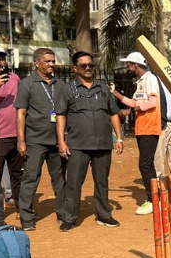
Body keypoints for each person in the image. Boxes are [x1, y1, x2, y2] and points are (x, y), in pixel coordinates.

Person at [55, 51, 124, 232]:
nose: (87, 68)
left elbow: (114, 113)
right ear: (75, 68)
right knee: (74, 182)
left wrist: (119, 137)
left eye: (90, 65)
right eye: (83, 65)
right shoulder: (67, 89)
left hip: (102, 144)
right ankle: (69, 217)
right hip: (78, 145)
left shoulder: (102, 89)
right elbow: (61, 116)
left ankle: (104, 214)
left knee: (102, 181)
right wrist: (61, 141)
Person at [14, 48, 66, 231]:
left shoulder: (60, 84)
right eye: (47, 61)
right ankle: (27, 218)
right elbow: (20, 113)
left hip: (57, 140)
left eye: (53, 61)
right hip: (35, 140)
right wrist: (21, 141)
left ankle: (62, 213)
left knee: (59, 179)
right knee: (30, 178)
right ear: (37, 63)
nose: (52, 64)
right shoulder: (27, 83)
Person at [111, 52, 161, 215]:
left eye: (129, 64)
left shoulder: (150, 79)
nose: (127, 67)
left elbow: (152, 103)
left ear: (136, 65)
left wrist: (132, 110)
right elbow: (133, 102)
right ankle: (155, 198)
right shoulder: (141, 82)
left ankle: (153, 200)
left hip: (149, 127)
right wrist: (116, 93)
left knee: (145, 165)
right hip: (142, 128)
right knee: (148, 164)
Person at [0, 45, 22, 223]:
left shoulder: (15, 78)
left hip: (17, 134)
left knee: (18, 174)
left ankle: (23, 210)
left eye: (1, 58)